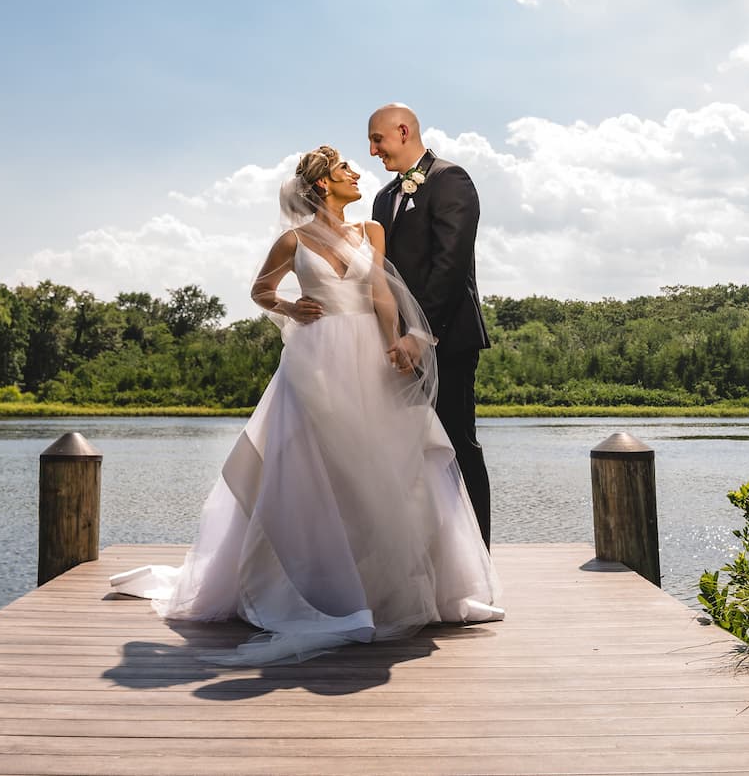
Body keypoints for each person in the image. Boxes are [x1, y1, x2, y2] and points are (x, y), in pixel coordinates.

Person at [108, 145, 502, 665]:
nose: (355, 172)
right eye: (344, 170)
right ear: (322, 185)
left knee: (384, 465)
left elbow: (383, 293)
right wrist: (290, 305)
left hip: (368, 352)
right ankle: (317, 589)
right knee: (315, 468)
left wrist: (396, 344)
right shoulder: (291, 240)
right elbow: (260, 290)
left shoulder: (371, 232)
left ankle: (388, 587)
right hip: (315, 359)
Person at [367, 104, 492, 547]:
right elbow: (380, 275)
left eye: (377, 139)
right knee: (407, 450)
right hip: (397, 349)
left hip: (448, 340)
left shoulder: (450, 179)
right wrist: (392, 338)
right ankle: (426, 555)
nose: (372, 150)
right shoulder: (383, 198)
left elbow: (451, 266)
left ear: (402, 131)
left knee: (457, 445)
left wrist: (422, 334)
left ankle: (479, 559)